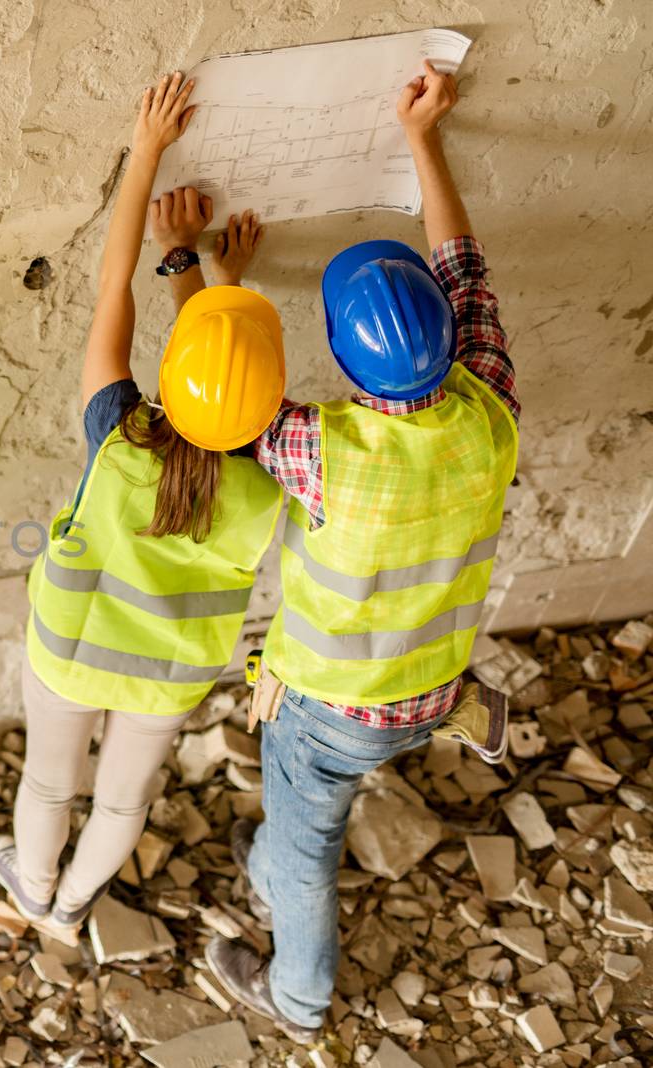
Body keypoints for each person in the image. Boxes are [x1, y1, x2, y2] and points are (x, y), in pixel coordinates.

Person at [206, 61, 520, 1043]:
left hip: (334, 701)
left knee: (307, 838)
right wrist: (423, 136)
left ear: (340, 361)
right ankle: (270, 866)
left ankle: (296, 997)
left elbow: (224, 409)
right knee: (301, 809)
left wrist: (220, 281)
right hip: (431, 684)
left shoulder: (319, 449)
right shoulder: (489, 402)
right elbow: (464, 267)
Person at [0, 73, 286, 940]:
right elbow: (224, 405)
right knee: (124, 800)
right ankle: (74, 907)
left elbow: (110, 284)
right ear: (274, 402)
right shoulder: (271, 473)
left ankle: (33, 885)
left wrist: (151, 156)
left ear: (167, 377)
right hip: (172, 671)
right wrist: (215, 277)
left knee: (49, 781)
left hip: (71, 645)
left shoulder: (119, 432)